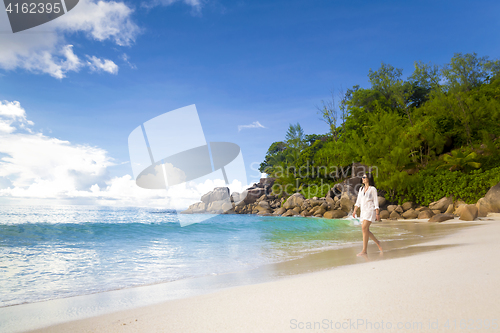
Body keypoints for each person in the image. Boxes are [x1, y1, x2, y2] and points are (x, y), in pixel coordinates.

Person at [352, 173, 383, 256]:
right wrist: (354, 211)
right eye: (362, 177)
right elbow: (358, 201)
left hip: (370, 210)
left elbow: (376, 202)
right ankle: (378, 242)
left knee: (364, 228)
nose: (363, 178)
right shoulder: (361, 189)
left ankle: (364, 251)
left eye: (364, 177)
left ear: (368, 179)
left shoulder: (372, 189)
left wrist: (377, 213)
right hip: (363, 212)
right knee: (365, 230)